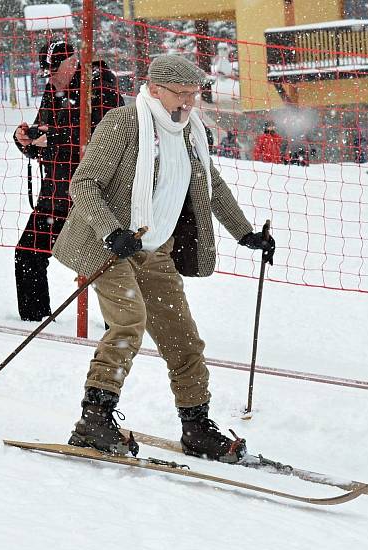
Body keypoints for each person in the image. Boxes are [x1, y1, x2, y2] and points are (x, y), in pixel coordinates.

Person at [51, 54, 275, 462]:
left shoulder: (190, 132)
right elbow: (83, 185)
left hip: (156, 252)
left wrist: (244, 232)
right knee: (128, 324)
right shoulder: (124, 124)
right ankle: (94, 420)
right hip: (110, 248)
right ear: (155, 89)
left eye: (194, 94)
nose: (189, 103)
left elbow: (211, 184)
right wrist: (110, 230)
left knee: (183, 338)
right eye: (181, 94)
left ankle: (197, 427)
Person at [12, 39, 122, 321]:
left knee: (108, 269)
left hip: (96, 195)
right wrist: (25, 139)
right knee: (27, 255)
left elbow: (104, 134)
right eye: (46, 74)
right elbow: (43, 139)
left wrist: (52, 137)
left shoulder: (101, 84)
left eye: (53, 71)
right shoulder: (53, 90)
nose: (50, 79)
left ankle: (120, 331)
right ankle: (36, 323)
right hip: (56, 193)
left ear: (72, 63)